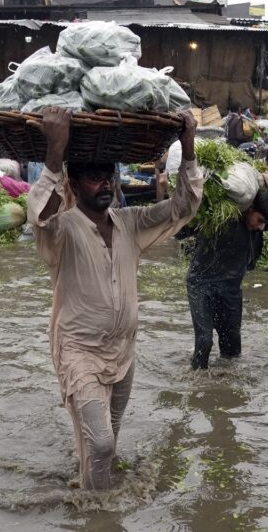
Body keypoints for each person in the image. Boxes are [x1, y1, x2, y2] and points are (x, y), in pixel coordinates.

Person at [27, 107, 202, 490]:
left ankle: (95, 500)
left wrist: (187, 148)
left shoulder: (130, 223)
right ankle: (98, 516)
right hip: (79, 351)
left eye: (109, 176)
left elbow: (184, 207)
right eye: (94, 178)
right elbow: (39, 214)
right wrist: (55, 152)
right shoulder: (62, 230)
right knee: (102, 443)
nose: (105, 185)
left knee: (110, 439)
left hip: (123, 349)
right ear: (74, 182)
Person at [184, 187, 268, 370]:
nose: (261, 227)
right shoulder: (220, 217)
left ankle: (226, 385)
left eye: (264, 223)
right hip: (201, 284)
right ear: (249, 209)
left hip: (231, 289)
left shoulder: (256, 227)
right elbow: (181, 231)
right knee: (204, 341)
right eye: (259, 221)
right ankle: (196, 383)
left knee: (232, 348)